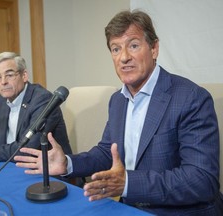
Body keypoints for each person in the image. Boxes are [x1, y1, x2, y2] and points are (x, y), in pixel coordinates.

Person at [14, 10, 223, 215]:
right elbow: (107, 152)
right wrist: (68, 163)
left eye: (133, 45)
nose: (123, 57)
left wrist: (128, 184)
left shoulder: (191, 98)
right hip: (127, 207)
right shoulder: (118, 100)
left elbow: (201, 180)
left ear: (154, 48)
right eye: (115, 49)